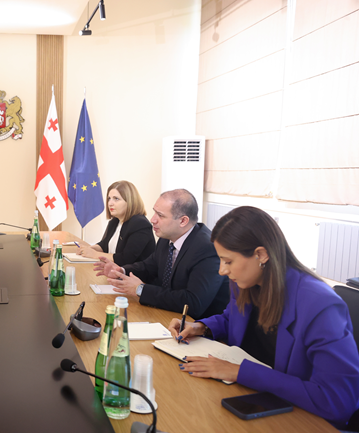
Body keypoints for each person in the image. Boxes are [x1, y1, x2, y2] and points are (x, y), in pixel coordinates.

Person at [169, 206, 359, 428]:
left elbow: (337, 401)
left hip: (300, 419)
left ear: (261, 255)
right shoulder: (245, 282)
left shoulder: (320, 305)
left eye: (228, 261)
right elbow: (233, 319)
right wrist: (201, 327)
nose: (222, 271)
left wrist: (240, 372)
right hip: (248, 399)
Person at [95, 189, 228, 319]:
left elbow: (193, 303)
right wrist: (121, 271)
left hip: (196, 325)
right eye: (154, 212)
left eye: (161, 215)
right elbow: (149, 267)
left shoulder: (207, 248)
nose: (152, 219)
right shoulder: (167, 237)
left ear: (183, 221)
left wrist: (140, 290)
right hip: (167, 314)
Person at [76, 181, 155, 266]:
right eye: (109, 198)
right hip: (113, 270)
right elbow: (104, 245)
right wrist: (89, 249)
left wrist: (94, 254)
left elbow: (125, 259)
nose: (110, 203)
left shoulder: (140, 224)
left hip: (133, 273)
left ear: (130, 201)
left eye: (116, 199)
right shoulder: (115, 221)